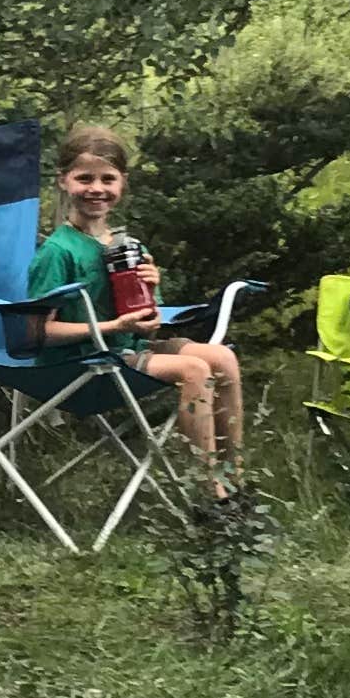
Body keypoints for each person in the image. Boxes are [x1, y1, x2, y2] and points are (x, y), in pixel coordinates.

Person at [25, 123, 247, 485]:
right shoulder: (57, 251)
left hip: (126, 350)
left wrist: (148, 306)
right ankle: (211, 492)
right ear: (63, 181)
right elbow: (37, 332)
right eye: (85, 178)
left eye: (107, 179)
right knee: (194, 370)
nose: (96, 189)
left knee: (223, 358)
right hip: (80, 365)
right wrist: (115, 328)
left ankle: (235, 478)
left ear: (122, 182)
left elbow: (151, 324)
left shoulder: (130, 248)